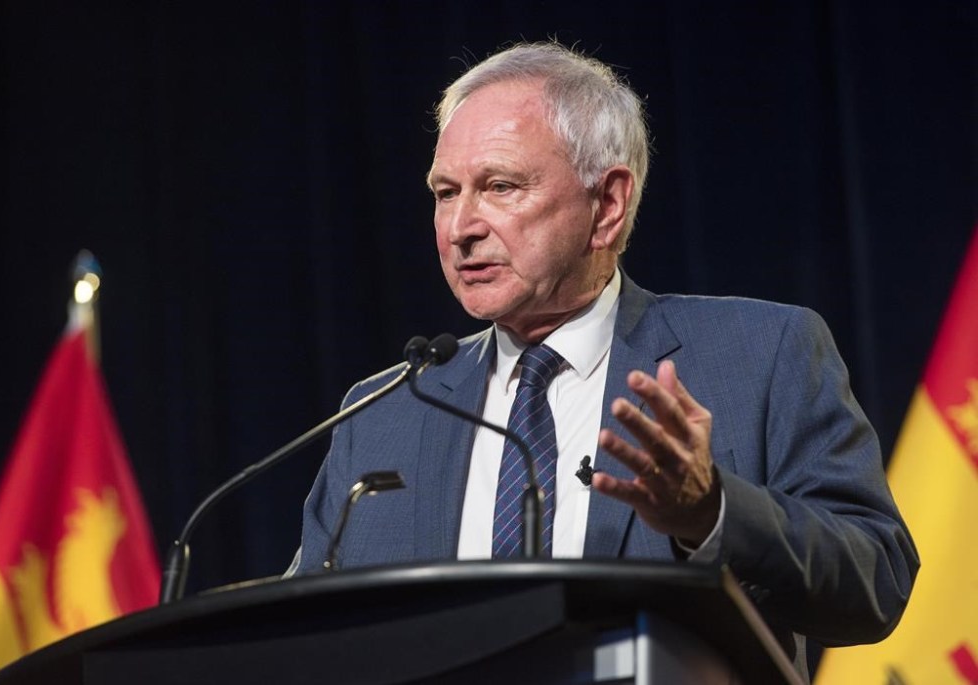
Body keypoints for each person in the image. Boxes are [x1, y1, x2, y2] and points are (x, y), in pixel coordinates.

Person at [288, 42, 918, 679]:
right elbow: (300, 632)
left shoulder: (760, 354)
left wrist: (712, 513)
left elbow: (877, 580)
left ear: (608, 206)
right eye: (446, 193)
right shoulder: (384, 411)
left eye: (500, 186)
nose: (460, 227)